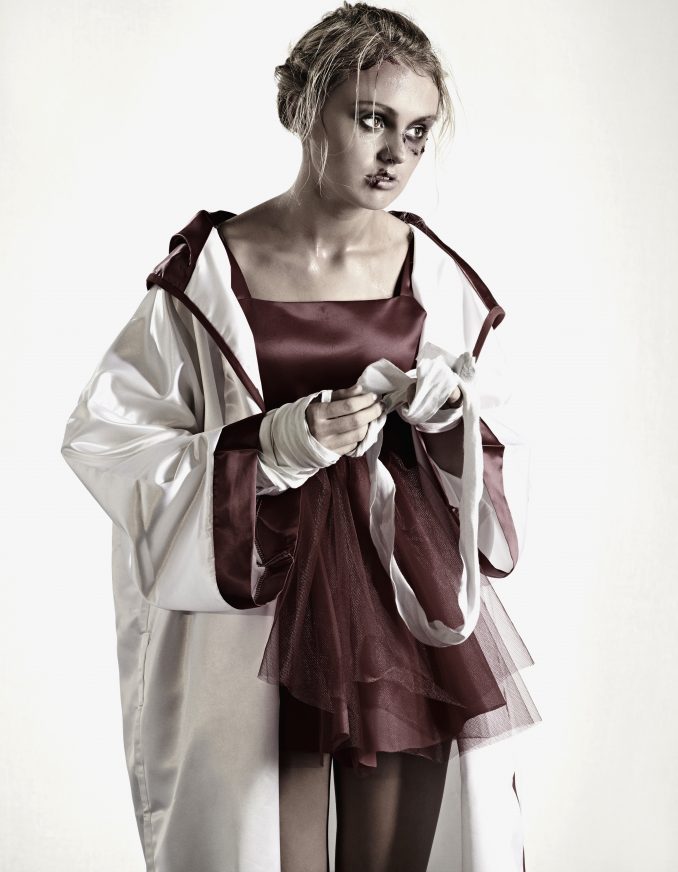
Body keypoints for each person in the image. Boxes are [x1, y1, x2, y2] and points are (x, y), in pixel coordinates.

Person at [61, 3, 541, 870]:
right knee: (264, 840)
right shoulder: (207, 277)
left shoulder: (435, 279)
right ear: (301, 110)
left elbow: (498, 449)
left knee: (395, 854)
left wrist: (451, 418)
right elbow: (111, 440)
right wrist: (272, 448)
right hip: (263, 612)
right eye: (372, 120)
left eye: (418, 133)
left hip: (397, 601)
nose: (396, 155)